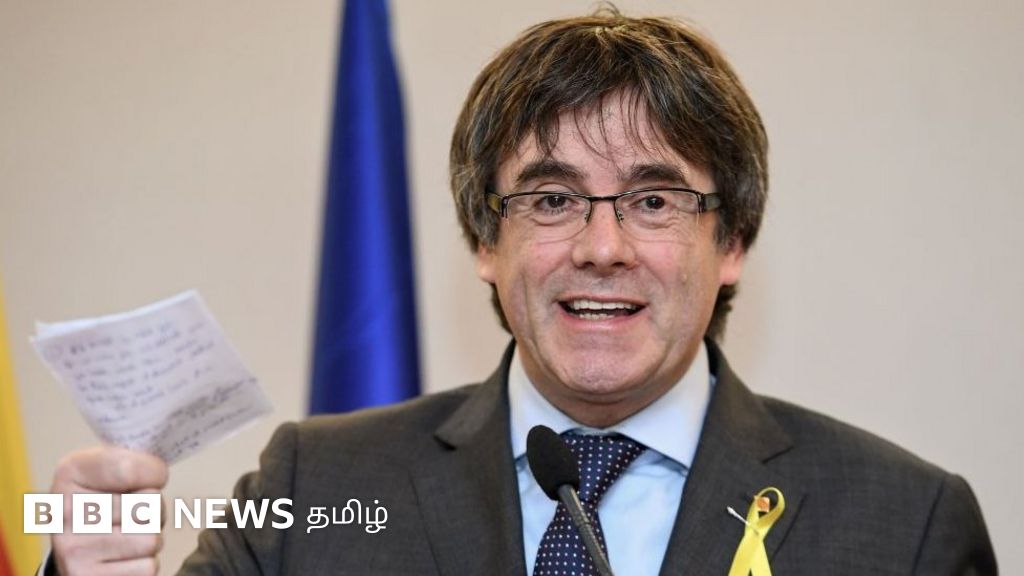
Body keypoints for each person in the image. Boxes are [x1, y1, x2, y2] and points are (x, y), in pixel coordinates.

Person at [45, 8, 997, 575]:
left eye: (653, 200)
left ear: (733, 239)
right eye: (551, 200)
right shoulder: (318, 487)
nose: (602, 247)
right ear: (483, 241)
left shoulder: (904, 524)